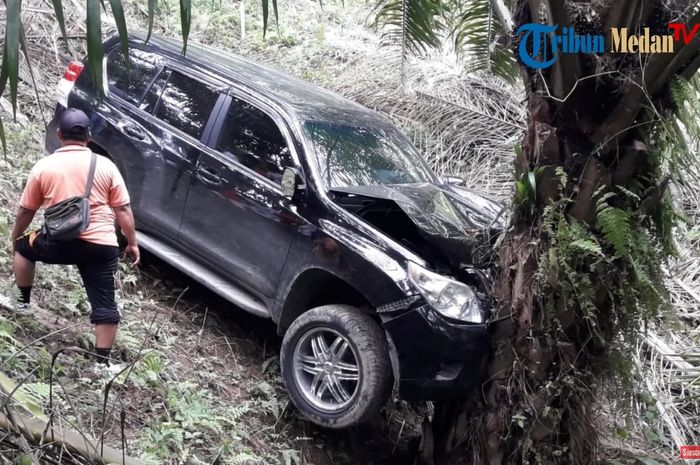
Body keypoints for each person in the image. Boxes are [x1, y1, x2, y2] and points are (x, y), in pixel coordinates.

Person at [11, 108, 140, 367]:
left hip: (58, 242)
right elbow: (123, 209)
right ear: (89, 137)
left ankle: (23, 303)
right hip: (101, 246)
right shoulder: (106, 166)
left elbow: (27, 209)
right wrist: (132, 243)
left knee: (24, 249)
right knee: (104, 302)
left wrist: (16, 236)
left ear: (59, 135)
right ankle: (101, 364)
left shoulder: (44, 167)